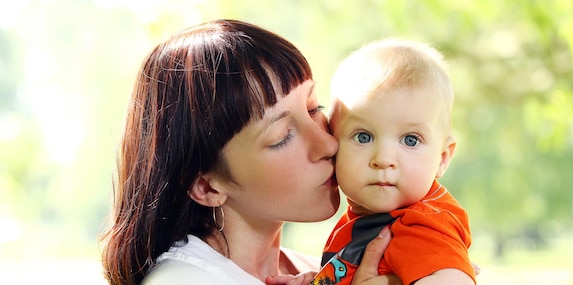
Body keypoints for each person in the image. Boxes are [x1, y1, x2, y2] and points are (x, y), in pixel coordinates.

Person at [99, 19, 400, 285]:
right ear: (206, 185)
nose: (329, 144)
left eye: (313, 108)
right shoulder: (185, 280)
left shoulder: (321, 270)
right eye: (282, 137)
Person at [307, 39, 476, 285]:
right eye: (363, 137)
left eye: (410, 140)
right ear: (333, 143)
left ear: (442, 158)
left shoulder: (421, 223)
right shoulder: (372, 218)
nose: (384, 160)